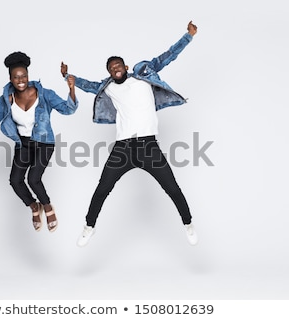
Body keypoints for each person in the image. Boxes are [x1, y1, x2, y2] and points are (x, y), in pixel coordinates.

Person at [61, 21, 198, 246]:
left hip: (148, 146)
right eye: (111, 68)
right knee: (102, 188)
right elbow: (85, 85)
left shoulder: (144, 74)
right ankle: (89, 227)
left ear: (125, 66)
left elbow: (168, 56)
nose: (115, 69)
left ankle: (188, 223)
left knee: (171, 187)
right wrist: (68, 77)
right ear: (109, 73)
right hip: (123, 148)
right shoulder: (109, 87)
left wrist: (188, 36)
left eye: (118, 65)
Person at [0, 51, 78, 232]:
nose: (21, 80)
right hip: (23, 144)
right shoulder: (7, 99)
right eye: (16, 77)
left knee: (34, 179)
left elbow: (68, 109)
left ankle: (48, 207)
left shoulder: (43, 94)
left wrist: (71, 89)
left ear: (28, 76)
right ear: (10, 79)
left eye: (24, 76)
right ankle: (34, 207)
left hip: (44, 143)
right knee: (15, 180)